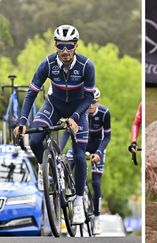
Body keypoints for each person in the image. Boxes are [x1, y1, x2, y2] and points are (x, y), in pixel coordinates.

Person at [13, 24, 96, 224]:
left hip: (78, 111)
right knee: (34, 139)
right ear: (55, 45)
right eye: (61, 46)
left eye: (69, 46)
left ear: (76, 45)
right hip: (54, 106)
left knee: (77, 155)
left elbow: (88, 98)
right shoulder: (47, 64)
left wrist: (75, 118)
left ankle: (77, 202)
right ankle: (45, 166)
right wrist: (23, 121)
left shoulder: (86, 66)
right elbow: (32, 93)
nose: (65, 51)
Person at [59, 88, 110, 234]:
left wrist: (99, 152)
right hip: (82, 143)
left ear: (98, 101)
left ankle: (97, 218)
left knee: (96, 182)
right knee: (67, 160)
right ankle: (70, 190)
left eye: (94, 102)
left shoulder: (104, 113)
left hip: (97, 146)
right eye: (89, 102)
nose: (91, 105)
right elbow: (67, 133)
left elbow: (107, 137)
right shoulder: (79, 112)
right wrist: (59, 151)